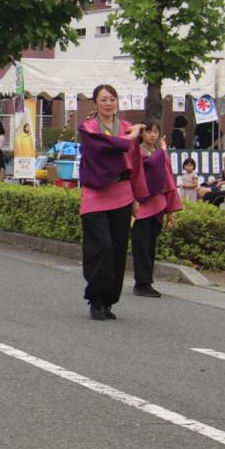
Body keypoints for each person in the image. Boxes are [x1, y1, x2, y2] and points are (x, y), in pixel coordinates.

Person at [78, 84, 147, 321]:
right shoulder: (89, 127)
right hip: (96, 194)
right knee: (102, 247)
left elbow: (136, 163)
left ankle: (108, 301)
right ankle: (96, 299)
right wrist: (130, 138)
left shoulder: (127, 127)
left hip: (123, 192)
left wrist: (138, 197)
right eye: (103, 99)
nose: (108, 103)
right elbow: (104, 146)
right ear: (95, 103)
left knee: (118, 250)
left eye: (112, 99)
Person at [131, 121, 181, 298]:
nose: (153, 135)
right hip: (142, 203)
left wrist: (170, 210)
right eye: (149, 132)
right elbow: (136, 175)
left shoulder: (160, 154)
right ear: (141, 134)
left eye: (156, 132)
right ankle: (142, 283)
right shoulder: (137, 152)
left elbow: (168, 179)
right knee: (142, 245)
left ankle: (146, 280)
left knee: (151, 244)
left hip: (158, 202)